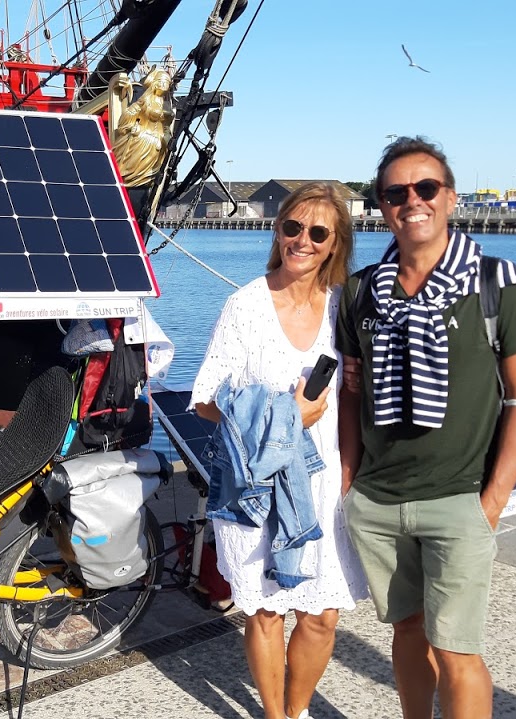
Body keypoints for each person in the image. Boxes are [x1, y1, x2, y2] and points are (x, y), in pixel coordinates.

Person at [336, 136, 516, 719]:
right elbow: (351, 394)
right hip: (379, 502)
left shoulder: (499, 286)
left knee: (457, 651)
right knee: (408, 631)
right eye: (396, 192)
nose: (412, 200)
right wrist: (349, 483)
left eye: (426, 187)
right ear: (382, 205)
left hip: (460, 499)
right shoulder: (361, 292)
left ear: (450, 197)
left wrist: (492, 501)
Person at [191, 182, 368, 719]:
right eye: (293, 227)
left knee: (321, 615)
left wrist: (349, 471)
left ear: (334, 244)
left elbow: (352, 400)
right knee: (266, 612)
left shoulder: (342, 308)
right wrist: (285, 417)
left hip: (324, 482)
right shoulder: (245, 306)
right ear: (277, 230)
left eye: (318, 232)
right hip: (255, 482)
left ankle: (298, 709)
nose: (303, 240)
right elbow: (205, 400)